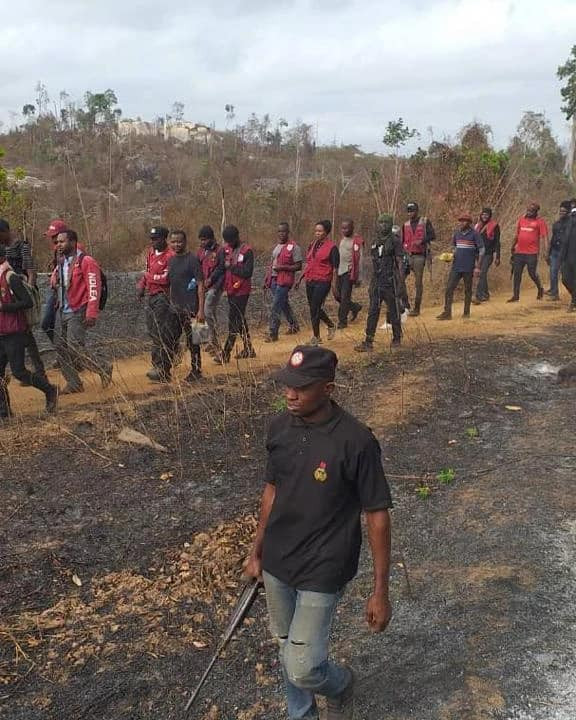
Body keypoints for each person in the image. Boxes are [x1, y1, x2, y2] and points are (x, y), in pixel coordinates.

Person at [244, 345, 393, 720]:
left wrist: (380, 591)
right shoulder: (278, 428)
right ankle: (303, 714)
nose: (290, 394)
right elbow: (272, 491)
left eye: (302, 387)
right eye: (287, 385)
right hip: (279, 561)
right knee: (286, 648)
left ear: (328, 388)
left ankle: (341, 683)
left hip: (324, 567)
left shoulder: (356, 441)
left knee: (303, 666)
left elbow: (376, 515)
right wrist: (256, 550)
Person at [0, 242, 58, 419]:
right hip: (1, 332)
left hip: (14, 332)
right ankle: (4, 411)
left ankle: (50, 390)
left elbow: (28, 302)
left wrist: (4, 307)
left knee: (19, 372)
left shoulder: (10, 277)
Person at [52, 230, 112, 394]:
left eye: (61, 242)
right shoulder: (62, 261)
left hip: (78, 309)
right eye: (57, 242)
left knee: (74, 347)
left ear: (73, 242)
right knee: (60, 347)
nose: (58, 245)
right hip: (63, 310)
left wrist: (92, 312)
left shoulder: (86, 261)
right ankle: (74, 383)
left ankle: (103, 367)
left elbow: (94, 287)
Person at [355, 214, 407, 352]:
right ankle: (368, 341)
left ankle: (397, 338)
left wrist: (401, 282)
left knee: (394, 311)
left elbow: (400, 262)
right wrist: (371, 284)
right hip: (377, 282)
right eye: (381, 222)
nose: (383, 225)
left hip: (390, 281)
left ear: (390, 225)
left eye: (385, 223)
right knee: (373, 311)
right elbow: (373, 262)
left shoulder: (395, 241)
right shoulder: (375, 240)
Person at [0, 219, 45, 377]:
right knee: (21, 335)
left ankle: (39, 374)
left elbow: (31, 271)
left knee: (26, 333)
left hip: (21, 294)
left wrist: (29, 292)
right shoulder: (4, 248)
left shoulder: (22, 246)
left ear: (5, 231)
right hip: (8, 296)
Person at [137, 226, 178, 383]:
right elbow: (147, 273)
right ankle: (159, 365)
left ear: (164, 239)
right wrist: (142, 284)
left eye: (156, 239)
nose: (153, 242)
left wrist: (148, 277)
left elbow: (165, 279)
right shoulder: (150, 253)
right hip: (151, 295)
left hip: (164, 296)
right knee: (153, 331)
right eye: (152, 239)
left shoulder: (170, 256)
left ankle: (161, 368)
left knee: (161, 332)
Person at [212, 224, 255, 363]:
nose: (229, 243)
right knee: (240, 319)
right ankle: (249, 348)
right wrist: (210, 281)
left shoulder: (247, 251)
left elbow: (248, 272)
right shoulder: (224, 250)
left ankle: (226, 353)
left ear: (237, 237)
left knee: (234, 321)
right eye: (227, 241)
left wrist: (231, 267)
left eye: (231, 240)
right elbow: (219, 268)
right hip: (230, 289)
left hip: (242, 291)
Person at [167, 230, 205, 382]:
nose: (176, 244)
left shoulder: (193, 259)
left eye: (179, 241)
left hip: (192, 307)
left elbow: (201, 284)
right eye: (174, 241)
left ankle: (196, 370)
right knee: (171, 338)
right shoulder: (171, 260)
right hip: (175, 307)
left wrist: (201, 310)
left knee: (195, 340)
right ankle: (166, 368)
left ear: (185, 242)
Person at [437, 214, 484, 320]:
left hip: (468, 266)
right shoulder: (457, 234)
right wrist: (449, 256)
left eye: (464, 221)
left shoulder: (475, 234)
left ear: (469, 223)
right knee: (449, 288)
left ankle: (466, 312)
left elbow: (481, 250)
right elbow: (455, 248)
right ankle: (447, 312)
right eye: (461, 221)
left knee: (468, 290)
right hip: (456, 266)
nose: (462, 223)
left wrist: (478, 267)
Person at [301, 220, 339, 346]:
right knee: (313, 308)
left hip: (323, 281)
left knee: (315, 307)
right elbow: (309, 262)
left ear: (326, 232)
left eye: (320, 231)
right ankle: (330, 325)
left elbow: (335, 269)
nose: (317, 233)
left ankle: (316, 337)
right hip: (310, 279)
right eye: (316, 231)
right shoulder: (312, 244)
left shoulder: (332, 247)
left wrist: (334, 286)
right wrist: (300, 278)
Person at [264, 222, 302, 342]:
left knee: (276, 306)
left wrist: (283, 268)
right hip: (274, 279)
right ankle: (294, 324)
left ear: (288, 232)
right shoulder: (277, 247)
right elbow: (272, 264)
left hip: (284, 280)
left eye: (284, 231)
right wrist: (267, 279)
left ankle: (273, 332)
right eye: (279, 231)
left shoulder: (294, 247)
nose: (281, 234)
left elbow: (298, 266)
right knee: (283, 303)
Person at [507, 202, 548, 303]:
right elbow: (517, 234)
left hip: (532, 253)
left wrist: (546, 251)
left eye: (531, 211)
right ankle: (516, 296)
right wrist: (512, 246)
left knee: (532, 273)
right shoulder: (521, 220)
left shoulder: (540, 222)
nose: (529, 212)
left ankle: (540, 288)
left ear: (536, 212)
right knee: (517, 273)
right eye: (528, 210)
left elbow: (544, 237)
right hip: (519, 251)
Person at [401, 202, 436, 317]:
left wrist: (422, 241)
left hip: (419, 256)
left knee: (418, 283)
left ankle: (417, 308)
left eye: (412, 210)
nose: (410, 213)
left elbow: (432, 235)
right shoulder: (405, 225)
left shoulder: (425, 221)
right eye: (409, 211)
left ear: (417, 211)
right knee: (399, 280)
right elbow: (402, 241)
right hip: (407, 256)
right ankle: (406, 305)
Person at [41, 219, 68, 344]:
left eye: (54, 236)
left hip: (67, 291)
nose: (52, 239)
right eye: (52, 236)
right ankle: (63, 354)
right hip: (56, 290)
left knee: (65, 326)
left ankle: (67, 357)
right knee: (46, 323)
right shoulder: (56, 249)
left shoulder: (74, 248)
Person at [197, 225, 223, 353]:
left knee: (207, 311)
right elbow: (197, 266)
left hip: (215, 286)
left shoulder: (219, 251)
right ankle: (205, 340)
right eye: (201, 240)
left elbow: (220, 269)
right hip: (202, 285)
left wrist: (211, 280)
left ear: (212, 238)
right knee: (201, 310)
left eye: (205, 239)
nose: (203, 242)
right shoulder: (201, 251)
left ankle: (214, 341)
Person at [335, 218, 363, 329]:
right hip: (340, 271)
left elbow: (360, 259)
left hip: (349, 272)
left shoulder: (356, 241)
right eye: (342, 228)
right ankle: (355, 307)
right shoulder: (342, 239)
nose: (344, 230)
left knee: (345, 296)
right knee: (338, 296)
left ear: (352, 228)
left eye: (346, 228)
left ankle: (342, 321)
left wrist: (359, 277)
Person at [472, 208, 501, 303]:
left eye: (487, 214)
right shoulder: (477, 226)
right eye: (483, 214)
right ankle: (486, 294)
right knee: (481, 274)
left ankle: (478, 296)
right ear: (481, 215)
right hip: (477, 254)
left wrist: (497, 257)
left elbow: (497, 242)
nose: (485, 216)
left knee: (482, 273)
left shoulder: (495, 226)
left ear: (490, 216)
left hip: (488, 254)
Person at [546, 201, 571, 301]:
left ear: (568, 212)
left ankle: (573, 294)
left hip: (566, 253)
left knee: (566, 275)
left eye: (564, 211)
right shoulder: (556, 224)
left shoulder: (571, 224)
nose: (562, 213)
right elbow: (553, 238)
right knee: (553, 272)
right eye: (560, 211)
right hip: (555, 252)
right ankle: (554, 293)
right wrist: (548, 252)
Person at [561, 210, 576, 311]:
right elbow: (564, 242)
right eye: (572, 215)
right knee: (565, 279)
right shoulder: (568, 226)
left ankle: (573, 301)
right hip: (568, 257)